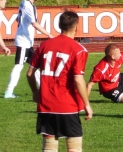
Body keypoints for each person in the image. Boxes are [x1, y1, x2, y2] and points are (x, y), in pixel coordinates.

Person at [27, 11, 93, 152]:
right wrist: (86, 104)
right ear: (76, 27)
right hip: (67, 105)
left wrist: (35, 92)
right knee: (74, 148)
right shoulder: (78, 50)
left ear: (59, 25)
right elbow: (78, 79)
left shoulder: (43, 46)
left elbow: (29, 73)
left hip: (46, 105)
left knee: (49, 148)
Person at [4, 0, 53, 98]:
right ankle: (9, 91)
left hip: (27, 41)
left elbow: (18, 19)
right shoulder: (28, 6)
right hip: (23, 42)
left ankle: (43, 89)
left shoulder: (25, 3)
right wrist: (48, 34)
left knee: (35, 65)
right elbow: (34, 24)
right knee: (19, 65)